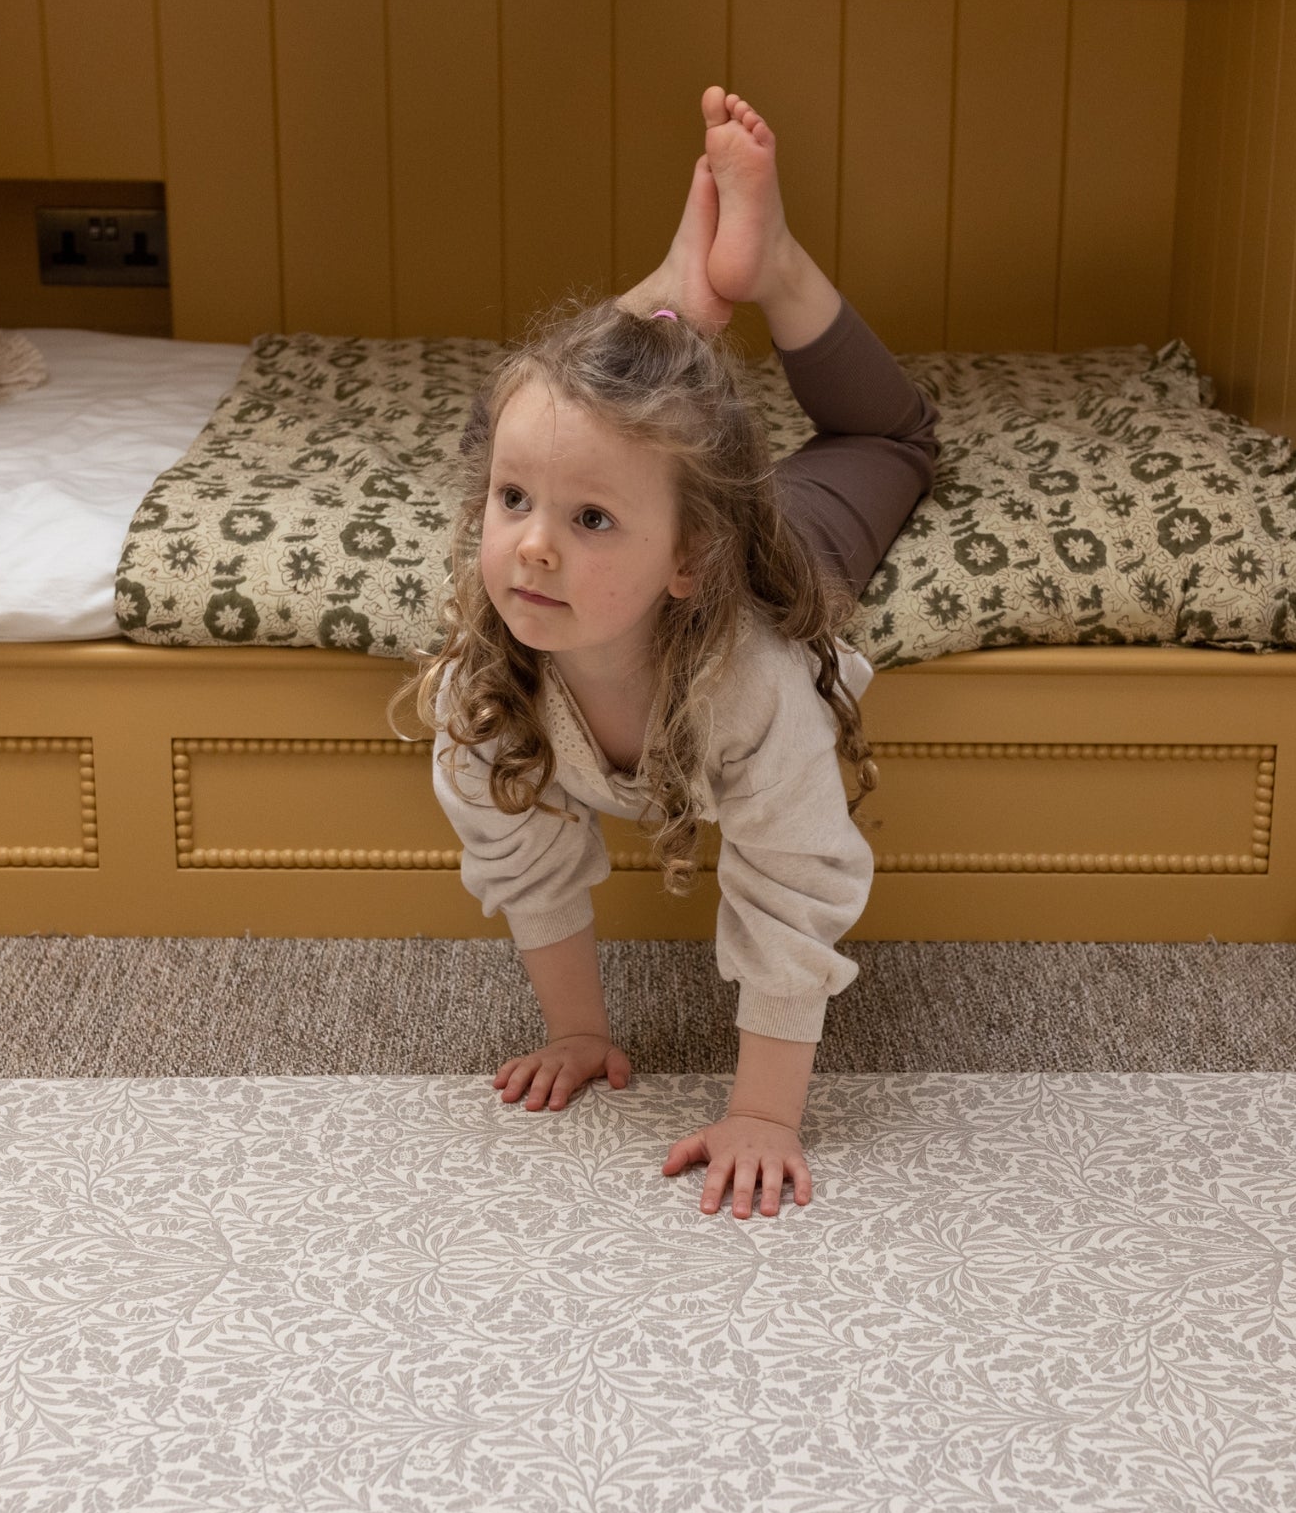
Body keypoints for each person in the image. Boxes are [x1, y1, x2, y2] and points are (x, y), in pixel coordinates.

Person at [402, 86, 938, 1220]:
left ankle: (770, 264)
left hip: (783, 552)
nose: (533, 547)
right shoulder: (486, 687)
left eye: (589, 520)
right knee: (547, 423)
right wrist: (577, 1032)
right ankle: (672, 303)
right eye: (510, 502)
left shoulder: (752, 682)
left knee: (892, 438)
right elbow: (522, 856)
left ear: (690, 556)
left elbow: (793, 879)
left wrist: (764, 1112)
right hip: (670, 504)